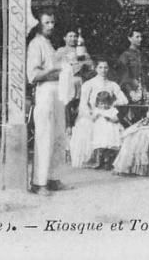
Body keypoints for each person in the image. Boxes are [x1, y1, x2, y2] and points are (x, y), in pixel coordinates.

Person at [26, 10, 69, 195]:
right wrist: (56, 69)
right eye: (47, 23)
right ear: (38, 24)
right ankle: (39, 182)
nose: (51, 26)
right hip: (44, 92)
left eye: (53, 22)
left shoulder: (50, 45)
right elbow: (33, 75)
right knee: (44, 136)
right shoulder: (36, 45)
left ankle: (52, 178)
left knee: (58, 135)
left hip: (58, 92)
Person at [69, 58, 127, 168]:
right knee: (87, 125)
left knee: (112, 126)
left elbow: (124, 99)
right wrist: (90, 114)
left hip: (106, 113)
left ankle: (108, 158)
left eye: (105, 67)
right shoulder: (89, 84)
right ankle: (95, 158)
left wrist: (113, 104)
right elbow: (83, 103)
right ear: (96, 69)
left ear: (108, 69)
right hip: (92, 113)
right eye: (100, 67)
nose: (103, 70)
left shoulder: (112, 84)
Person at [54, 29, 92, 132]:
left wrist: (85, 65)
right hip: (66, 83)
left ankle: (77, 131)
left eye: (75, 36)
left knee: (79, 106)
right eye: (70, 36)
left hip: (80, 82)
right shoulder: (60, 51)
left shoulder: (82, 51)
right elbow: (54, 67)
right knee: (66, 106)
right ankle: (67, 128)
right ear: (64, 38)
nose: (73, 38)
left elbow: (91, 68)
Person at [90, 91, 123, 169]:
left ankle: (108, 162)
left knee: (109, 147)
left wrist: (110, 119)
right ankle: (99, 162)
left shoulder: (112, 110)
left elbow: (117, 119)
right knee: (100, 146)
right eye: (101, 104)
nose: (104, 106)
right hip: (100, 132)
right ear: (98, 103)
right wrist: (96, 116)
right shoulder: (97, 110)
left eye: (106, 103)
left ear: (110, 103)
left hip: (110, 132)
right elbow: (92, 120)